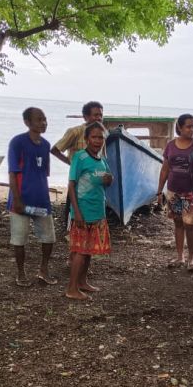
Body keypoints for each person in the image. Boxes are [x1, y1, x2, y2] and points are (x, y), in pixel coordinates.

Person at [7, 107, 57, 287]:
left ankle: (44, 270)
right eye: (38, 119)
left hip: (41, 201)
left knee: (48, 237)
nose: (43, 123)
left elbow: (44, 172)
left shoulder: (45, 145)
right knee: (19, 238)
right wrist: (17, 199)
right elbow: (12, 173)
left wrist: (45, 195)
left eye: (44, 119)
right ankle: (21, 273)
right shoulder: (17, 142)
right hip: (21, 201)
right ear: (27, 122)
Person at [156, 114, 193, 272]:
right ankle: (180, 256)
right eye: (188, 126)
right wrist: (160, 190)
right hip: (174, 191)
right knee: (178, 223)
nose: (192, 129)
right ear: (179, 127)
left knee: (191, 225)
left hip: (192, 192)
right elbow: (165, 169)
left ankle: (192, 258)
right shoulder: (170, 146)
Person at [66, 122, 113, 300]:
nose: (98, 141)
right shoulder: (80, 157)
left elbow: (107, 182)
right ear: (86, 139)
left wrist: (109, 179)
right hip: (82, 211)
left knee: (89, 251)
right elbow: (71, 185)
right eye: (94, 137)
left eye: (101, 137)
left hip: (97, 211)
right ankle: (71, 288)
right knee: (80, 250)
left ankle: (82, 282)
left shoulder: (102, 161)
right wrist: (76, 212)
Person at [51, 101, 106, 223]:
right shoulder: (75, 132)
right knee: (74, 215)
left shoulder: (102, 133)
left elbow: (103, 157)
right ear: (86, 117)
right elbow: (55, 150)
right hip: (77, 182)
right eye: (95, 115)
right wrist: (72, 163)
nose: (98, 118)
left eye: (100, 115)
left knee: (94, 218)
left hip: (95, 184)